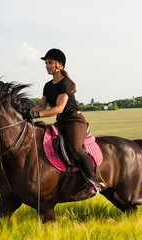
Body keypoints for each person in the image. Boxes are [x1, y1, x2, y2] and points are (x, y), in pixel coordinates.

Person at [24, 48, 101, 196]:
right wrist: (25, 112)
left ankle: (93, 181)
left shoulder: (66, 84)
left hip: (74, 121)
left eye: (50, 63)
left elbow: (59, 108)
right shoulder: (48, 85)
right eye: (46, 63)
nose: (47, 65)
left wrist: (36, 114)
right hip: (61, 122)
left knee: (76, 148)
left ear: (60, 64)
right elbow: (41, 106)